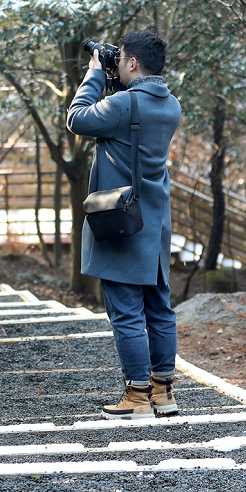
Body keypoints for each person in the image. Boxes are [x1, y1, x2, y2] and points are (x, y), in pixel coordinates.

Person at [67, 30, 182, 418]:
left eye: (121, 60)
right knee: (159, 308)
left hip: (121, 220)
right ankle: (164, 394)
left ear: (131, 63)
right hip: (155, 222)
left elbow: (76, 119)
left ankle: (136, 398)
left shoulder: (120, 105)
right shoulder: (172, 106)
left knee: (127, 313)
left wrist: (96, 74)